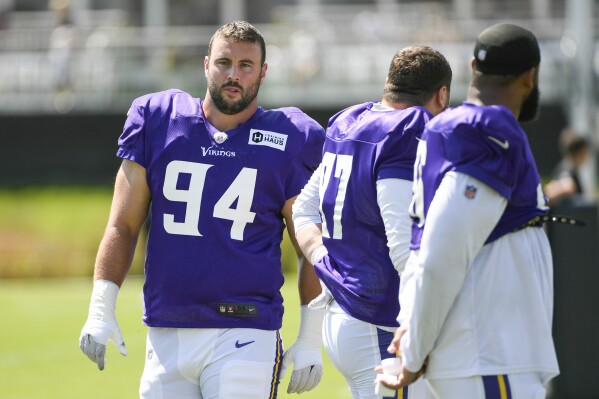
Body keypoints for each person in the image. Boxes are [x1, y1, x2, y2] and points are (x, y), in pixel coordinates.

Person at [79, 21, 327, 399]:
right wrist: (101, 307)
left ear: (263, 72)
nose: (233, 74)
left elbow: (309, 243)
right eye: (224, 62)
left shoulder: (290, 137)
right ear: (206, 63)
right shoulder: (158, 118)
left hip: (246, 330)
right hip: (167, 330)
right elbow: (122, 225)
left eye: (246, 65)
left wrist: (310, 335)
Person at [378, 23, 560, 398]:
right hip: (489, 358)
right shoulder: (488, 127)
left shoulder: (444, 130)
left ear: (471, 68)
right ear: (530, 76)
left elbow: (423, 251)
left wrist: (414, 326)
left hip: (479, 358)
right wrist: (413, 354)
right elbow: (441, 250)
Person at [292, 45, 452, 399]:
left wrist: (322, 261)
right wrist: (420, 323)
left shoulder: (352, 121)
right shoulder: (409, 129)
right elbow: (401, 246)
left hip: (346, 316)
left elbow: (303, 211)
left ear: (388, 84)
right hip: (379, 321)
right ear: (442, 95)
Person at [544, 127, 590, 206]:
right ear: (581, 151)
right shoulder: (568, 169)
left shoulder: (567, 167)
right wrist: (567, 186)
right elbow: (566, 186)